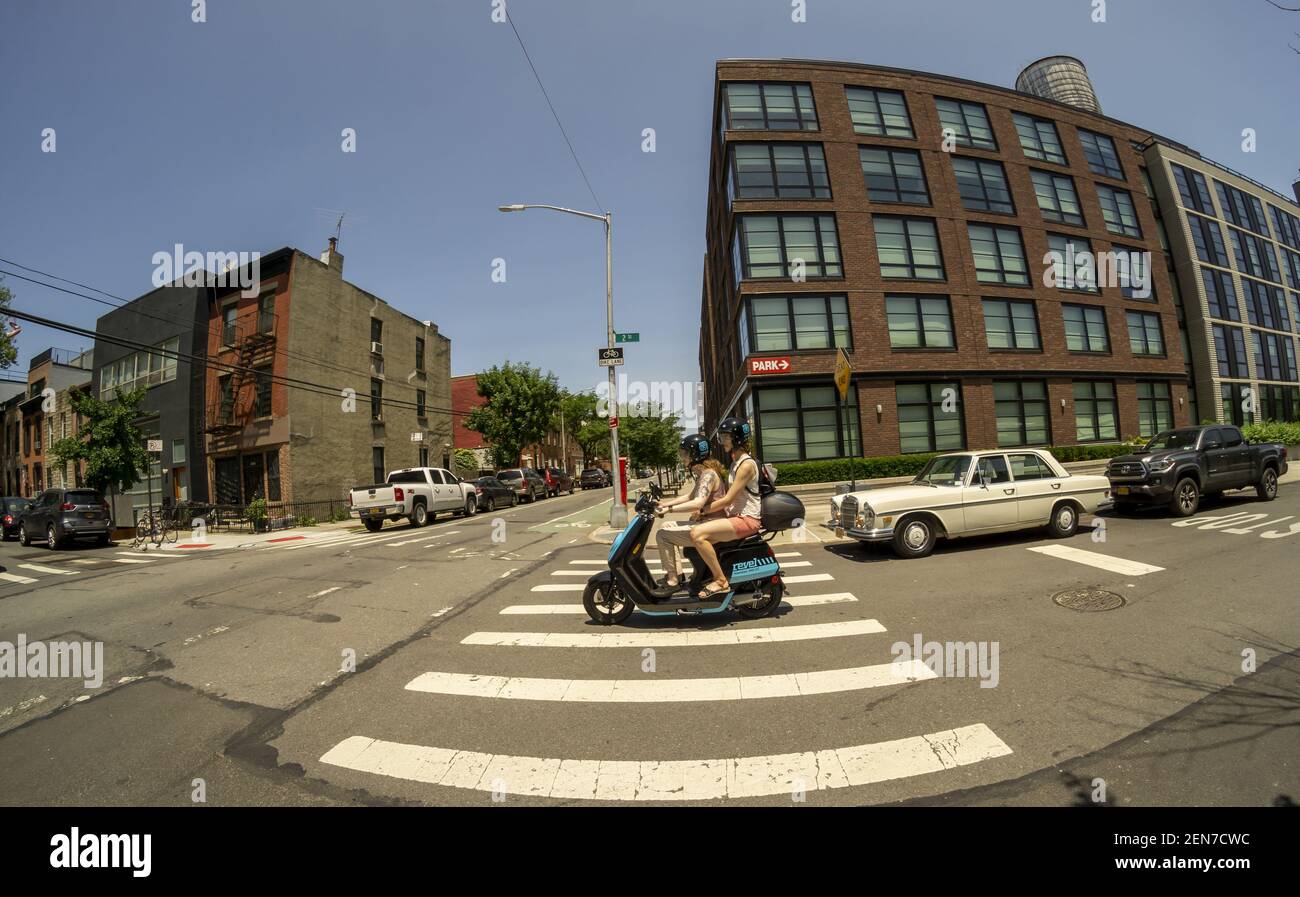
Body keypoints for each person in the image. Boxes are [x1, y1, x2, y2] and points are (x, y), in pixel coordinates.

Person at [690, 417, 762, 598]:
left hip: (747, 519)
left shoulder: (746, 465)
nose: (722, 442)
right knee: (693, 533)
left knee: (697, 534)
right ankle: (701, 577)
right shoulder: (735, 462)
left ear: (737, 438)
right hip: (736, 517)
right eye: (721, 437)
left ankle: (721, 581)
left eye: (725, 437)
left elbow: (729, 498)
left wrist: (703, 510)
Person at [650, 434, 727, 594]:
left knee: (663, 535)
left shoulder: (708, 475)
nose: (682, 457)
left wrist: (669, 510)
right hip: (707, 523)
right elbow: (689, 497)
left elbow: (697, 502)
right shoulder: (705, 473)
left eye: (685, 454)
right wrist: (665, 503)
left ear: (696, 455)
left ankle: (673, 580)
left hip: (710, 526)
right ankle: (676, 574)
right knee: (665, 526)